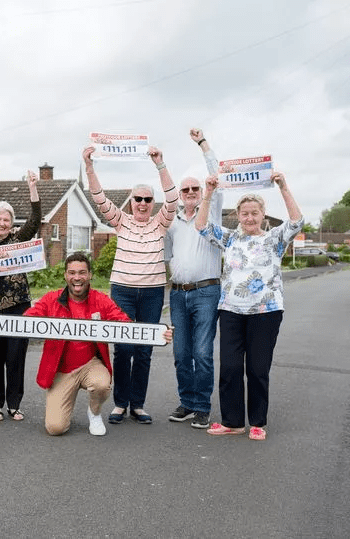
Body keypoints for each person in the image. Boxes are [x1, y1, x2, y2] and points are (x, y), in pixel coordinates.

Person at [0, 252, 173, 436]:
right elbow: (25, 321)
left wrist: (156, 334)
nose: (77, 278)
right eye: (72, 273)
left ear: (90, 275)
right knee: (55, 428)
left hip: (91, 364)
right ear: (65, 275)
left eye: (82, 272)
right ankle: (64, 406)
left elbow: (123, 323)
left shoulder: (101, 300)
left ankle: (95, 413)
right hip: (62, 369)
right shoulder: (51, 299)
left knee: (101, 384)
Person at [195, 171, 304, 441]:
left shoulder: (274, 239)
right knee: (230, 367)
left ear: (262, 214)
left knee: (257, 368)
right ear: (238, 215)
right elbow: (201, 226)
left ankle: (257, 422)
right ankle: (232, 421)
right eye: (245, 213)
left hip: (266, 313)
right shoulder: (230, 238)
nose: (250, 218)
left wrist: (283, 186)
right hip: (231, 310)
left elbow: (297, 221)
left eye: (254, 213)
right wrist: (208, 192)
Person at [83, 144, 178, 425]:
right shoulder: (120, 222)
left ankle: (138, 404)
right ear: (131, 200)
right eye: (138, 198)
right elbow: (98, 198)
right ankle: (120, 404)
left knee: (144, 350)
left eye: (148, 199)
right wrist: (89, 166)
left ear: (152, 203)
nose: (142, 203)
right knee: (123, 348)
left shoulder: (160, 223)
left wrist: (160, 164)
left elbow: (172, 199)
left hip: (151, 293)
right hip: (122, 291)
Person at [165, 128, 222, 429]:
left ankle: (201, 405)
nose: (189, 194)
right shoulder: (172, 223)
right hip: (177, 293)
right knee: (180, 352)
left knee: (202, 351)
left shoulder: (212, 213)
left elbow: (217, 174)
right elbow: (166, 257)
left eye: (194, 190)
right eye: (184, 191)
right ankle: (187, 402)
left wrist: (203, 144)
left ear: (201, 192)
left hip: (206, 292)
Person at [0, 170, 41, 422]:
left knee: (16, 357)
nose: (2, 224)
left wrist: (32, 187)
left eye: (7, 220)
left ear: (11, 222)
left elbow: (36, 220)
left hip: (19, 306)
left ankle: (14, 404)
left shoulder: (17, 239)